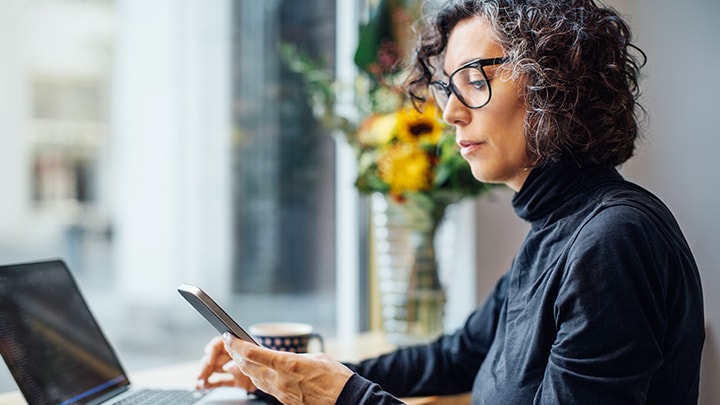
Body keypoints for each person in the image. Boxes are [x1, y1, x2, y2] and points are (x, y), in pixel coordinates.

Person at [196, 0, 705, 403]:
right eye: (447, 87)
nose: (450, 113)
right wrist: (287, 375)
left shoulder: (611, 240)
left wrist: (345, 398)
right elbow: (457, 356)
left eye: (475, 81)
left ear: (555, 83)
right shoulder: (559, 229)